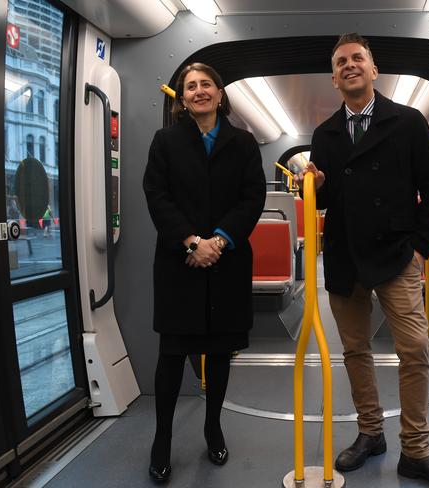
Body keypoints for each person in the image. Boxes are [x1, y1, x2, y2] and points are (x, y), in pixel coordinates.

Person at [295, 33, 429, 488]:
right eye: (341, 62)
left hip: (396, 255)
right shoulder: (325, 133)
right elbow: (328, 200)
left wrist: (418, 248)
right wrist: (314, 183)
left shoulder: (408, 122)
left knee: (413, 351)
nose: (349, 65)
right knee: (356, 350)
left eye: (358, 58)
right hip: (346, 257)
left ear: (374, 70)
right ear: (334, 78)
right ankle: (371, 432)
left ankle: (417, 450)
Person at [142, 62, 266, 483]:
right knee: (172, 355)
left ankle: (213, 425)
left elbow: (252, 198)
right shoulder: (166, 142)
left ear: (219, 93)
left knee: (219, 352)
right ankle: (162, 439)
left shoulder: (245, 145)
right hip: (180, 262)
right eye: (190, 86)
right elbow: (156, 195)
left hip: (226, 263)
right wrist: (192, 242)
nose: (198, 91)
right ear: (182, 98)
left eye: (206, 84)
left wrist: (219, 240)